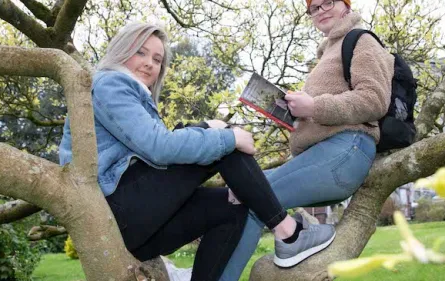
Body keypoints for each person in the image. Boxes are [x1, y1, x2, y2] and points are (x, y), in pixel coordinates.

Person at [57, 22, 336, 281]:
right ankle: (288, 233)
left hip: (138, 227)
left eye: (157, 59)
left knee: (232, 208)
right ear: (121, 51)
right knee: (224, 144)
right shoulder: (110, 83)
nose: (149, 64)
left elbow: (150, 145)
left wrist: (206, 127)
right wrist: (227, 136)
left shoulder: (127, 94)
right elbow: (159, 148)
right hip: (119, 212)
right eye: (140, 52)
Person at [218, 0, 395, 279]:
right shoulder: (326, 54)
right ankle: (302, 233)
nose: (321, 10)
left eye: (328, 3)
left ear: (346, 7)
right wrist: (298, 118)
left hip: (346, 150)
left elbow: (374, 99)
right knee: (239, 191)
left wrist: (313, 107)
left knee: (255, 198)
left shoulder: (361, 40)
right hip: (324, 154)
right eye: (314, 8)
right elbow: (327, 110)